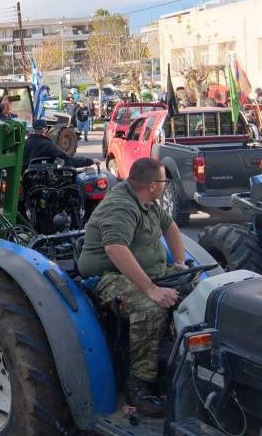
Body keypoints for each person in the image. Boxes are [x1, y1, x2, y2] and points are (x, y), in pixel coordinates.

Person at [77, 158, 189, 417]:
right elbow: (115, 248)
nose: (165, 185)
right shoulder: (121, 206)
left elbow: (170, 227)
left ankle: (182, 358)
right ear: (152, 185)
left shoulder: (148, 202)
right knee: (150, 309)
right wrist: (151, 290)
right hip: (109, 274)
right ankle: (139, 383)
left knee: (198, 288)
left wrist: (181, 264)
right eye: (163, 181)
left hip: (148, 271)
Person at [23, 119, 94, 168]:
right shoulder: (48, 145)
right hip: (44, 182)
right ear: (46, 130)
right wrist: (90, 161)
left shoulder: (24, 144)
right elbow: (69, 160)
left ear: (33, 129)